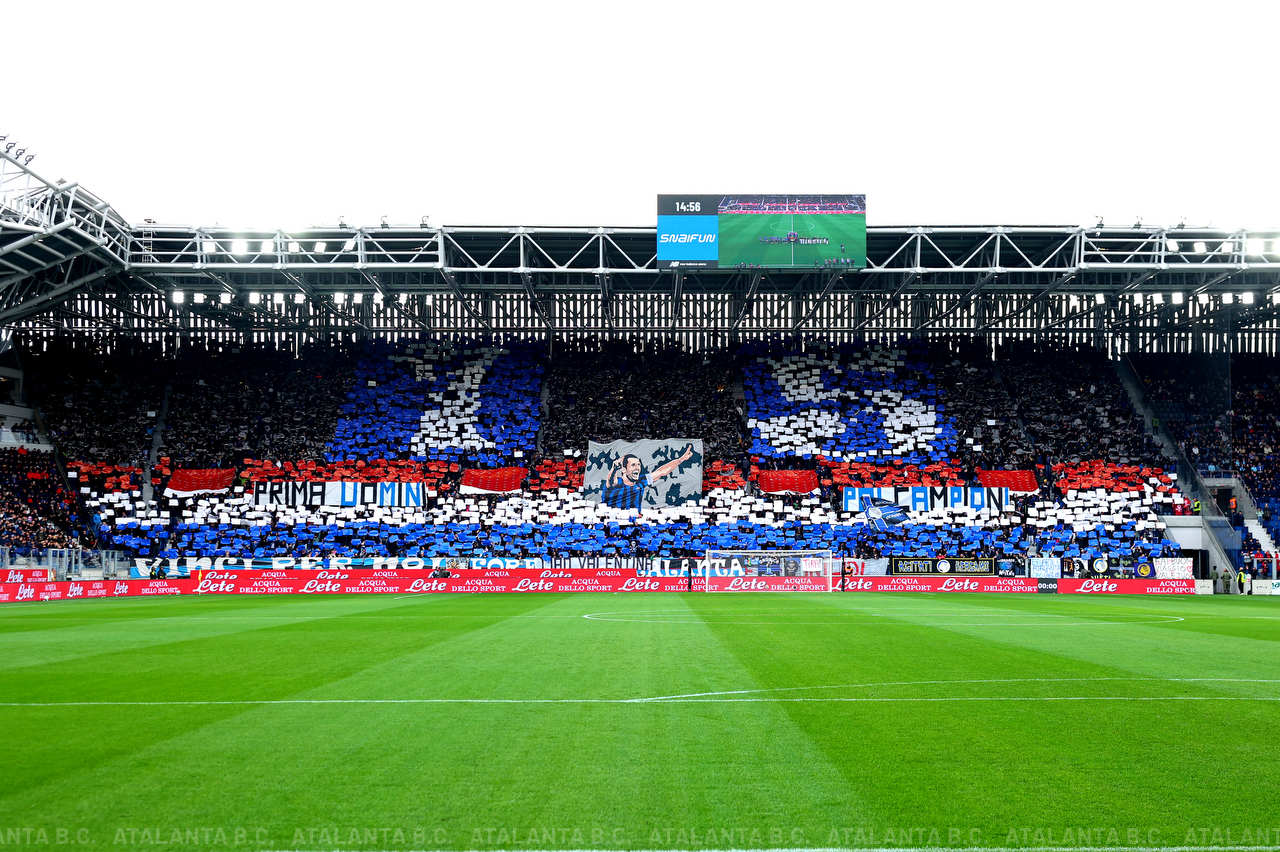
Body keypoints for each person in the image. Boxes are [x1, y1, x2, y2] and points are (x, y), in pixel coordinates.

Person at [602, 445, 694, 510]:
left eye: (638, 464)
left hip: (633, 523)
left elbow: (661, 472)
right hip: (613, 522)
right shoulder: (617, 482)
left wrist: (681, 459)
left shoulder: (642, 481)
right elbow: (611, 481)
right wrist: (614, 469)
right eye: (633, 465)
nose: (637, 468)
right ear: (624, 469)